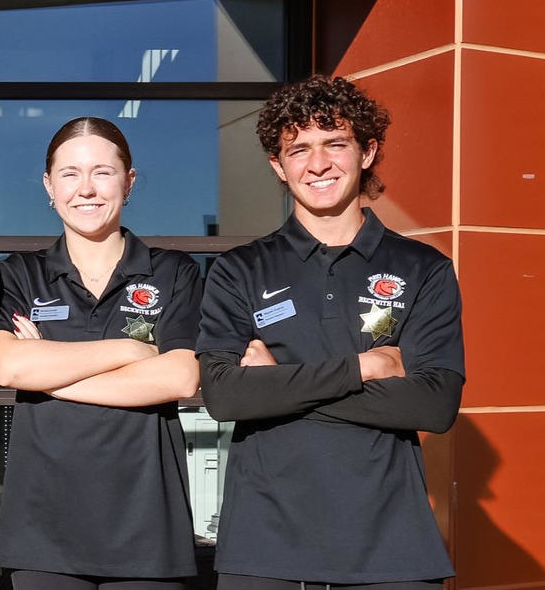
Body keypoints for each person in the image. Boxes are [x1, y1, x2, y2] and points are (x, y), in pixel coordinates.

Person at [199, 76, 464, 590]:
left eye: (334, 144)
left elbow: (434, 406)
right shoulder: (239, 270)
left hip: (392, 549)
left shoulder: (423, 268)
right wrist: (366, 368)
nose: (317, 164)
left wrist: (279, 384)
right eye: (298, 150)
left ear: (367, 151)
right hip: (264, 547)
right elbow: (226, 396)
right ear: (279, 166)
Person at [0, 116, 202, 590]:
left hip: (148, 531)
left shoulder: (172, 273)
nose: (86, 189)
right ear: (48, 185)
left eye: (102, 172)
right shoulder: (20, 274)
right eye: (69, 174)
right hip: (43, 532)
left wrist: (49, 369)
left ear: (129, 181)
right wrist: (132, 349)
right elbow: (9, 366)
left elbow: (181, 378)